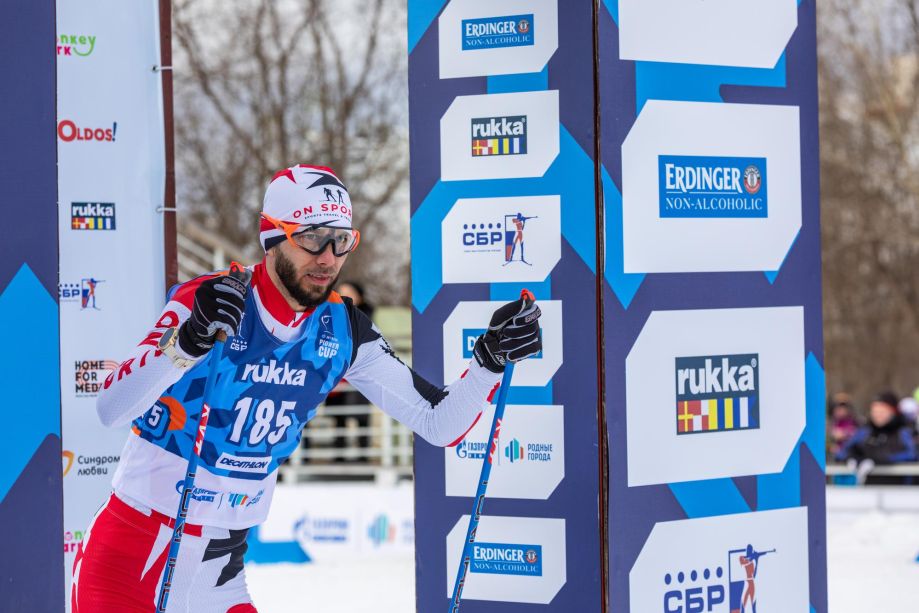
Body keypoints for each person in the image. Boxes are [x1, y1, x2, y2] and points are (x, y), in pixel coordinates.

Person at [70, 164, 543, 612]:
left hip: (219, 573)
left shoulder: (343, 329)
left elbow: (438, 423)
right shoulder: (214, 301)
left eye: (341, 240)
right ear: (272, 236)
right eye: (313, 238)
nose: (328, 258)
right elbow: (112, 407)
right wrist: (188, 341)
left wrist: (488, 362)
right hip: (131, 558)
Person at [324, 281, 374, 462]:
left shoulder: (366, 316)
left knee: (361, 414)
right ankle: (339, 454)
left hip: (360, 371)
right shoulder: (331, 314)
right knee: (338, 415)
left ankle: (363, 455)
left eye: (349, 292)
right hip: (338, 371)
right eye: (342, 292)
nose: (346, 296)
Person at [835, 391, 918, 485]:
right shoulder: (865, 432)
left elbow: (912, 455)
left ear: (893, 412)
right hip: (870, 488)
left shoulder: (903, 432)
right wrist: (853, 457)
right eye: (875, 411)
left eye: (882, 411)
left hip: (899, 488)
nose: (878, 415)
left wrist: (879, 459)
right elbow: (842, 452)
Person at [827, 393, 859, 458]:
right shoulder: (830, 423)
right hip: (831, 457)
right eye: (838, 407)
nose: (841, 410)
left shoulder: (853, 423)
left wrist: (845, 434)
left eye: (844, 408)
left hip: (847, 456)